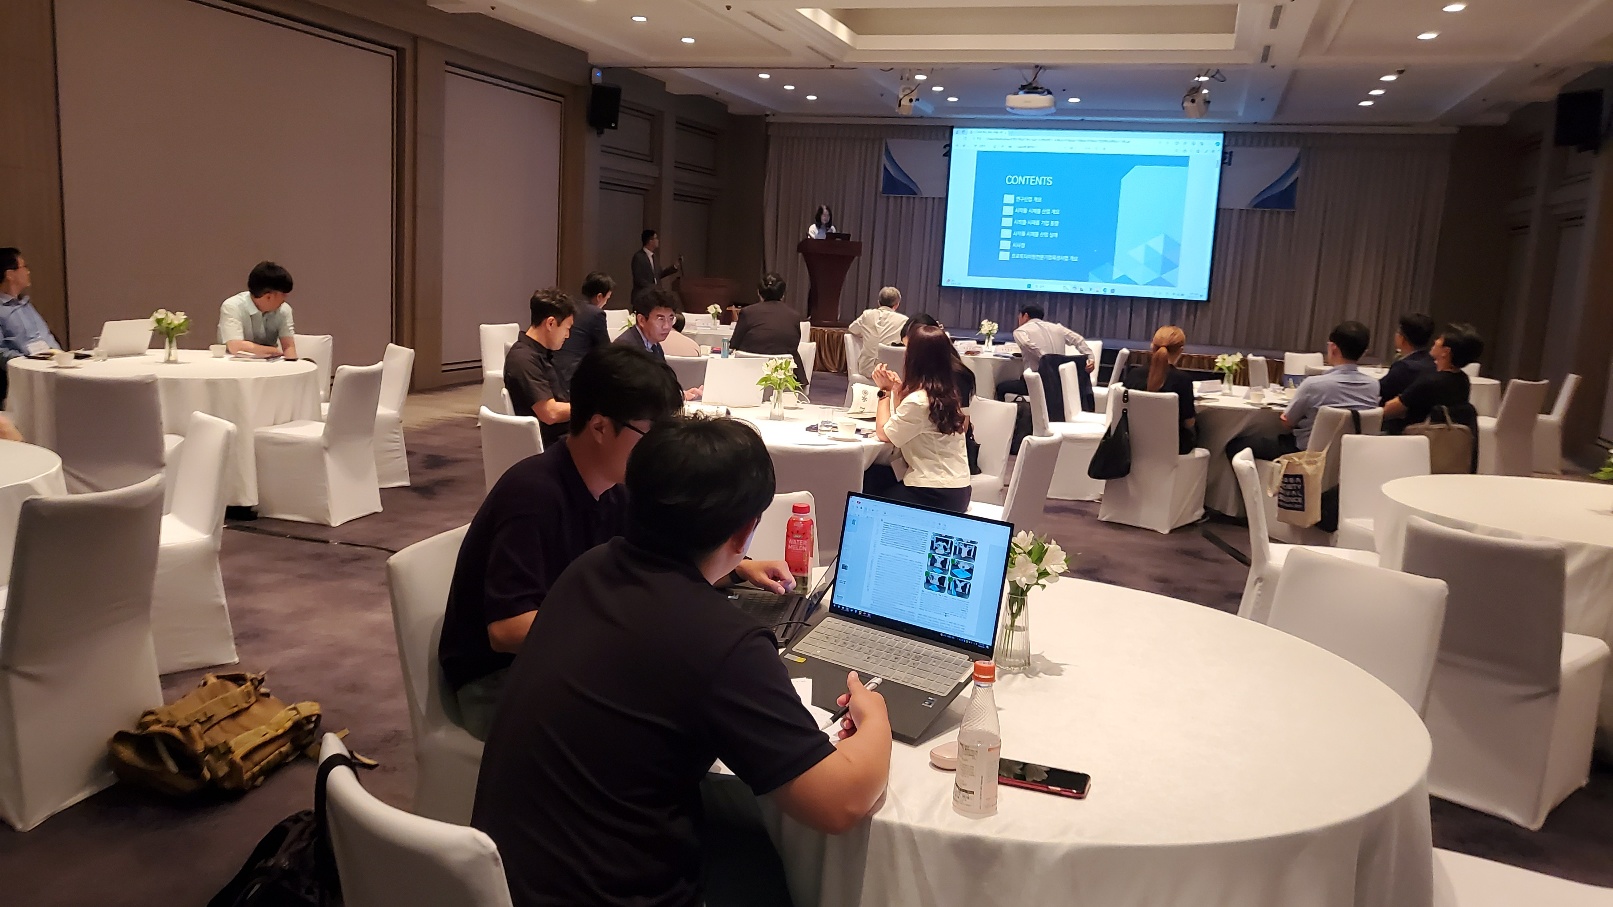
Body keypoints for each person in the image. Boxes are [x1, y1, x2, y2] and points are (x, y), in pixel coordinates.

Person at [472, 416, 891, 907]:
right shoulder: (723, 642)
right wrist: (875, 716)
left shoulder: (588, 569)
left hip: (509, 880)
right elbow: (839, 803)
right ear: (746, 531)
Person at [440, 346, 792, 739]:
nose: (663, 451)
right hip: (496, 682)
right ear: (600, 427)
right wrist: (624, 628)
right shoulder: (533, 494)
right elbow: (506, 630)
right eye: (652, 435)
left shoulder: (617, 487)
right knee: (667, 723)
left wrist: (740, 566)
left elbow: (659, 562)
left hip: (567, 658)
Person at [1226, 321, 1379, 461]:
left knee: (1236, 446)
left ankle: (1256, 483)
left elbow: (1287, 422)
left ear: (1333, 348)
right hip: (1351, 458)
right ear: (1363, 352)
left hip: (1305, 456)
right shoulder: (1373, 386)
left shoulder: (1313, 385)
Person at [866, 324, 972, 513]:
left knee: (865, 486)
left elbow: (884, 434)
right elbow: (905, 425)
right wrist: (898, 392)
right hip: (957, 489)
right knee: (876, 475)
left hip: (931, 492)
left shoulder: (919, 401)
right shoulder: (948, 393)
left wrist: (884, 392)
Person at [1384, 323, 1484, 471]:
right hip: (1449, 451)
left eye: (1439, 340)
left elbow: (1390, 410)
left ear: (1446, 352)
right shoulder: (1463, 380)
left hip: (1415, 446)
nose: (1435, 341)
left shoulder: (1430, 382)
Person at [504, 289, 576, 447]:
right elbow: (550, 413)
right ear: (550, 323)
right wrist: (592, 408)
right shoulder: (523, 359)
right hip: (554, 445)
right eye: (567, 328)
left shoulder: (542, 353)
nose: (567, 335)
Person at [1121, 326, 1198, 456]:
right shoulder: (1183, 380)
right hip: (1172, 448)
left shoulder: (1133, 375)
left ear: (1152, 347)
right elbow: (1188, 422)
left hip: (1132, 445)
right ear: (1181, 350)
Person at [995, 304, 1093, 400]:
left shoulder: (1021, 331)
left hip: (1037, 382)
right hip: (1061, 381)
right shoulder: (1058, 328)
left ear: (1025, 316)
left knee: (1001, 388)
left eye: (1019, 317)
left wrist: (1047, 359)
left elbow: (1026, 344)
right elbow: (1078, 339)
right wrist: (1090, 358)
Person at [730, 272, 807, 383]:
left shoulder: (748, 312)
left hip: (748, 377)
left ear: (758, 292)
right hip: (786, 379)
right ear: (783, 294)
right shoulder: (794, 316)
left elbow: (734, 344)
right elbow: (793, 345)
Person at [218, 261, 298, 359]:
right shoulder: (232, 306)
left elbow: (289, 347)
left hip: (271, 364)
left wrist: (292, 361)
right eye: (283, 294)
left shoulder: (284, 310)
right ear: (268, 297)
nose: (285, 298)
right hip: (235, 364)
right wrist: (274, 351)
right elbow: (235, 347)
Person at [552, 271, 613, 394]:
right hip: (575, 376)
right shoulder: (596, 313)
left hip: (553, 371)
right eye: (607, 298)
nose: (606, 303)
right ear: (599, 297)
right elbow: (605, 351)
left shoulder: (568, 306)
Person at [0, 248, 62, 366]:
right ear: (10, 275)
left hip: (53, 364)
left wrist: (62, 357)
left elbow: (47, 337)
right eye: (24, 267)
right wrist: (27, 362)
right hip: (27, 369)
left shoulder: (26, 304)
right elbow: (1, 352)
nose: (28, 272)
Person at [1377, 312, 1437, 432]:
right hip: (1424, 427)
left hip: (1396, 428)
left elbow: (1379, 390)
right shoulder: (1433, 363)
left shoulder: (1404, 367)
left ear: (1402, 338)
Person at [846, 286, 906, 378]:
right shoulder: (904, 321)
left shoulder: (867, 315)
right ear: (897, 305)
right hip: (890, 372)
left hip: (866, 369)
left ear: (878, 302)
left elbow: (852, 329)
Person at [630, 229, 678, 300]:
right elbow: (639, 279)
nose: (658, 240)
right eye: (656, 238)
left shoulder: (654, 257)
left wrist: (674, 267)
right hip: (643, 294)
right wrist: (653, 288)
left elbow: (659, 274)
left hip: (655, 293)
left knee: (671, 298)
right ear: (650, 241)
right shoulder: (638, 257)